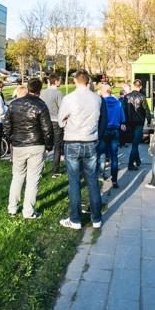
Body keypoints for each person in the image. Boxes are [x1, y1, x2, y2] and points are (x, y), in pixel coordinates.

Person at [58, 70, 103, 230]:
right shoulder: (97, 99)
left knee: (74, 182)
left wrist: (67, 122)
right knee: (92, 181)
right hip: (90, 140)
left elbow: (60, 120)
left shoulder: (69, 98)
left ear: (76, 81)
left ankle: (75, 219)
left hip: (73, 140)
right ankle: (96, 218)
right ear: (88, 81)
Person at [4, 78, 54, 219]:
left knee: (17, 176)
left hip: (19, 144)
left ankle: (12, 207)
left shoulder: (14, 104)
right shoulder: (41, 105)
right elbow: (47, 128)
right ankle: (28, 211)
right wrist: (48, 145)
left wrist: (12, 139)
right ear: (40, 89)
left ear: (28, 87)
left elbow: (6, 125)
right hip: (36, 145)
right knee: (33, 179)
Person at [97, 83, 126, 188]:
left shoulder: (101, 103)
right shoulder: (118, 103)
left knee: (101, 153)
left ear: (102, 91)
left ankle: (101, 174)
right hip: (115, 130)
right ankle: (114, 180)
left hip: (104, 130)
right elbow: (122, 118)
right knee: (114, 156)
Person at [40, 74, 65, 178]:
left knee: (43, 147)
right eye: (59, 80)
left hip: (44, 122)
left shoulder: (42, 93)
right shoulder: (58, 93)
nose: (61, 82)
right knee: (57, 147)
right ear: (55, 81)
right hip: (55, 122)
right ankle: (55, 171)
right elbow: (63, 109)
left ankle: (39, 170)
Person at [124, 79, 151, 170]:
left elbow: (123, 110)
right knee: (135, 144)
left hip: (129, 123)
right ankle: (130, 164)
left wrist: (123, 122)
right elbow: (146, 110)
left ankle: (138, 160)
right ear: (141, 87)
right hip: (139, 123)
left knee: (134, 143)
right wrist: (149, 120)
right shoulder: (142, 97)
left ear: (133, 85)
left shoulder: (126, 97)